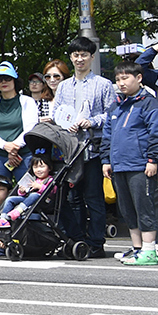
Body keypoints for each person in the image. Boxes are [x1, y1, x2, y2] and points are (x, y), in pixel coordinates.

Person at [52, 36, 115, 257]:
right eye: (76, 55)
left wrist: (93, 121)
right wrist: (64, 124)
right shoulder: (63, 87)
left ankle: (96, 242)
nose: (80, 59)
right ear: (71, 57)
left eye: (84, 55)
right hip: (69, 150)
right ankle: (77, 241)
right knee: (73, 198)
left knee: (94, 197)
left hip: (93, 148)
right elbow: (56, 112)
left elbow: (111, 115)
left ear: (92, 57)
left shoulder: (103, 84)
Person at [100, 61, 158, 266]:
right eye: (118, 79)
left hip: (140, 164)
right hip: (119, 164)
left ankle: (149, 250)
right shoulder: (116, 105)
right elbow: (107, 135)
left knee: (144, 207)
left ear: (138, 78)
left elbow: (156, 133)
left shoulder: (148, 103)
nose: (121, 83)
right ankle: (137, 248)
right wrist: (105, 160)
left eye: (126, 78)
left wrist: (153, 159)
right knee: (127, 209)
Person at [0, 63, 34, 182]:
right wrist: (5, 146)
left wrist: (14, 148)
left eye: (7, 78)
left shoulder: (27, 102)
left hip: (24, 155)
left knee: (26, 190)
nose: (3, 82)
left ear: (14, 80)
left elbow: (31, 127)